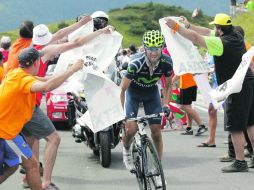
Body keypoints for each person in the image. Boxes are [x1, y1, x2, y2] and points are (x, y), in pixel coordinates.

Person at [21, 17, 114, 189]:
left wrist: (81, 23)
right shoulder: (46, 51)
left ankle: (28, 178)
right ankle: (46, 182)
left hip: (24, 100)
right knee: (53, 139)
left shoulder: (31, 49)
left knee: (32, 139)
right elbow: (77, 43)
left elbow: (62, 33)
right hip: (29, 104)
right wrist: (101, 31)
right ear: (47, 38)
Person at [165, 13, 254, 172]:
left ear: (220, 29)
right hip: (248, 82)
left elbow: (197, 38)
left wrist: (177, 27)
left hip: (235, 87)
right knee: (250, 123)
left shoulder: (220, 43)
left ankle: (240, 161)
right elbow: (206, 31)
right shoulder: (236, 36)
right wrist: (189, 25)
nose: (214, 29)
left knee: (235, 126)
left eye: (216, 27)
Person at [0, 47, 84, 189]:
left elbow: (46, 79)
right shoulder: (24, 80)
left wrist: (68, 72)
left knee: (13, 165)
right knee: (32, 165)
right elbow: (46, 86)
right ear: (36, 63)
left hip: (8, 131)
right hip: (5, 133)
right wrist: (72, 70)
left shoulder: (16, 73)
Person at [121, 30, 173, 186]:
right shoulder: (135, 63)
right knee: (131, 129)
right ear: (144, 48)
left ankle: (157, 169)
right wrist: (122, 113)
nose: (154, 52)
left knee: (156, 132)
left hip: (151, 94)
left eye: (157, 48)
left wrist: (166, 104)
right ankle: (126, 150)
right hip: (133, 94)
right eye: (150, 48)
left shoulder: (166, 62)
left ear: (162, 48)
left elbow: (168, 85)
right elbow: (123, 89)